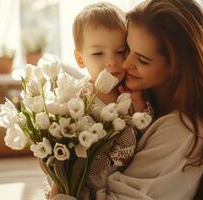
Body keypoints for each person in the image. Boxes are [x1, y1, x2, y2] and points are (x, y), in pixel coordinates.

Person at [51, 0, 203, 199]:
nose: (124, 64)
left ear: (179, 67)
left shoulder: (183, 130)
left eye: (142, 59)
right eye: (127, 49)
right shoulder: (139, 98)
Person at [47, 2, 150, 199]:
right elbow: (59, 148)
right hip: (79, 182)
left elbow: (146, 132)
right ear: (80, 59)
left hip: (118, 184)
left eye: (120, 51)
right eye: (98, 53)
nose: (111, 60)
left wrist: (138, 104)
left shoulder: (130, 92)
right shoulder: (79, 96)